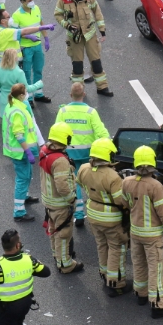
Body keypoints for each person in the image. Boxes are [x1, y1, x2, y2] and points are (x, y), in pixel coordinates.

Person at [123, 146, 163, 318]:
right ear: (152, 162)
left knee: (139, 264)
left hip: (135, 232)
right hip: (152, 236)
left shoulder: (126, 182)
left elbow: (125, 203)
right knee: (155, 269)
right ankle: (159, 305)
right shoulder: (156, 186)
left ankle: (141, 294)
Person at [77, 138, 128, 297]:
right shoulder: (113, 177)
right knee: (116, 248)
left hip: (92, 214)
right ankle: (115, 283)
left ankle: (104, 272)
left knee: (101, 244)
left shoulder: (84, 169)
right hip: (110, 218)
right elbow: (120, 201)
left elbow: (80, 183)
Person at [57, 82, 110, 227]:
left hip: (70, 154)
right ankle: (97, 212)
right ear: (84, 94)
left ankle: (79, 215)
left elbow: (57, 133)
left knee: (76, 184)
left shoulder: (63, 112)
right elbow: (101, 132)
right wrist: (110, 146)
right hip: (88, 154)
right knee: (92, 181)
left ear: (70, 95)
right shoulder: (90, 112)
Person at [55, 0, 113, 96]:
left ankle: (102, 88)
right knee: (77, 66)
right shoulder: (63, 0)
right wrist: (67, 25)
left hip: (90, 34)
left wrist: (102, 29)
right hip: (74, 38)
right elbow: (58, 15)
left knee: (96, 63)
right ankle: (79, 92)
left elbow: (97, 12)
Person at [39, 122, 84, 274]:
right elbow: (63, 186)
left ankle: (57, 255)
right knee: (63, 234)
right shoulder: (60, 161)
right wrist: (72, 199)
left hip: (49, 201)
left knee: (53, 229)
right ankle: (65, 264)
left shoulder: (45, 151)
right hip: (60, 204)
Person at [1, 83, 39, 222]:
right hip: (20, 152)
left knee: (27, 175)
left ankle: (25, 196)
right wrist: (28, 151)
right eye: (25, 93)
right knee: (22, 178)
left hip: (18, 151)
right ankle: (19, 210)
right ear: (21, 95)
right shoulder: (17, 111)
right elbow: (19, 135)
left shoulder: (13, 106)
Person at [11, 0, 51, 103]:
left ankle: (38, 94)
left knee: (38, 69)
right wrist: (28, 36)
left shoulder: (36, 8)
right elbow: (13, 32)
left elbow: (41, 23)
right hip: (26, 48)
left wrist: (46, 38)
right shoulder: (16, 15)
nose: (32, 2)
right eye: (29, 1)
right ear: (22, 2)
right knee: (27, 73)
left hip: (37, 45)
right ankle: (28, 97)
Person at [0, 48, 40, 114]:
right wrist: (39, 84)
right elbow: (27, 89)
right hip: (17, 103)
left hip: (4, 103)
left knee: (5, 123)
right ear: (15, 59)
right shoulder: (19, 72)